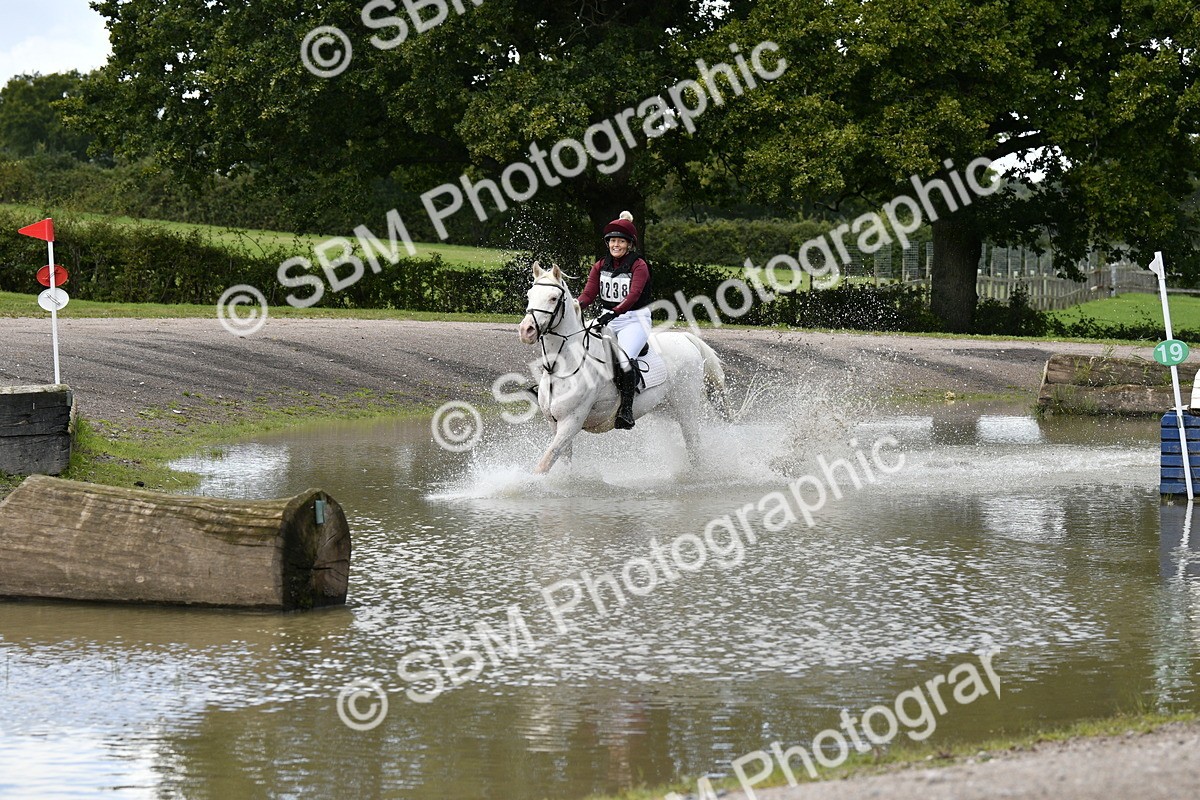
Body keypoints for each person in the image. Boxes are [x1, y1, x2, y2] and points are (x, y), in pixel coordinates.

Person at [576, 211, 652, 430]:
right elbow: (589, 295)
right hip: (607, 317)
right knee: (577, 344)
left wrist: (614, 312)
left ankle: (626, 410)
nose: (615, 245)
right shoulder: (600, 265)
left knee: (625, 359)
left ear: (629, 245)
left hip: (634, 320)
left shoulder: (639, 265)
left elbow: (633, 296)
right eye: (612, 241)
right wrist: (574, 306)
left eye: (621, 241)